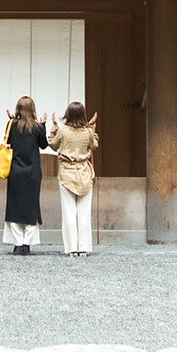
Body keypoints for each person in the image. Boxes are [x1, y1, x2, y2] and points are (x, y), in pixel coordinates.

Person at [46, 101, 99, 256]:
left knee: (69, 212)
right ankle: (83, 247)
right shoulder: (87, 133)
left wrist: (54, 126)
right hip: (84, 172)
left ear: (67, 114)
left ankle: (71, 248)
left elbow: (53, 144)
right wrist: (92, 127)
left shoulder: (63, 132)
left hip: (67, 173)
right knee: (84, 212)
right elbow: (94, 144)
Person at [1, 96, 47, 255]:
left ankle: (18, 242)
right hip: (33, 173)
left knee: (14, 208)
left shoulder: (12, 125)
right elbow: (43, 145)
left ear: (18, 109)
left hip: (15, 172)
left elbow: (7, 140)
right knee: (31, 208)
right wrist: (44, 125)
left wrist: (11, 121)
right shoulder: (38, 127)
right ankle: (27, 243)